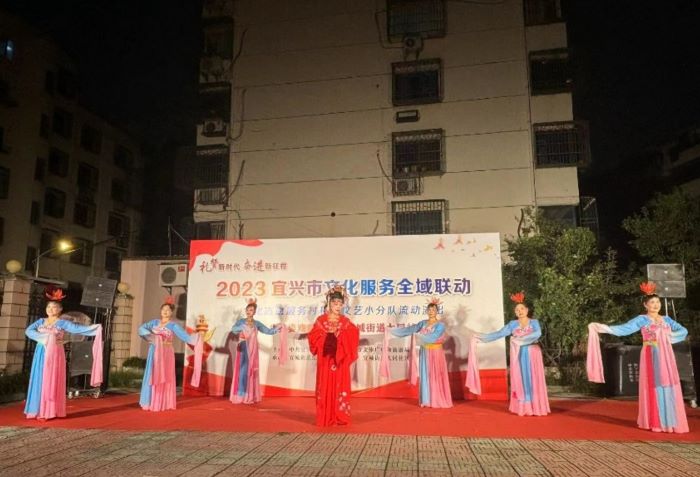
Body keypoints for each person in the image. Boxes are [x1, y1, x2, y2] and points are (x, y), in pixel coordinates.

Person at [587, 282, 689, 433]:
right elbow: (624, 329)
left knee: (668, 386)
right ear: (645, 305)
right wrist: (602, 328)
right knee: (655, 386)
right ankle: (656, 422)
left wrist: (670, 337)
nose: (656, 305)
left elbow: (683, 331)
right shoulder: (642, 319)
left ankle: (670, 422)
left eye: (657, 302)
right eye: (652, 302)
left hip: (666, 355)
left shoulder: (666, 320)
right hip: (651, 354)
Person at [24, 287, 103, 420]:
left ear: (60, 309)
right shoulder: (40, 321)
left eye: (54, 307)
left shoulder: (62, 322)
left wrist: (94, 328)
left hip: (55, 353)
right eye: (49, 307)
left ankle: (49, 411)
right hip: (41, 352)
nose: (51, 309)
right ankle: (36, 409)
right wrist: (45, 338)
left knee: (52, 379)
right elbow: (28, 331)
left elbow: (77, 329)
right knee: (39, 378)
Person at [469, 292, 550, 416]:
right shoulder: (513, 324)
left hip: (533, 353)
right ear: (515, 312)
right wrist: (480, 337)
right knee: (522, 379)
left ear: (527, 310)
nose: (520, 311)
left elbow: (537, 334)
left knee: (533, 379)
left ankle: (537, 406)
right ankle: (525, 407)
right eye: (517, 310)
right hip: (520, 354)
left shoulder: (534, 322)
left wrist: (519, 339)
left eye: (522, 309)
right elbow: (499, 334)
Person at [138, 297, 205, 411]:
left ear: (171, 313)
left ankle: (161, 402)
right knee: (152, 374)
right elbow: (141, 329)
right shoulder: (154, 322)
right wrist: (152, 338)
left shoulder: (173, 326)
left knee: (164, 375)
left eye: (168, 310)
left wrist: (198, 336)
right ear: (160, 311)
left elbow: (186, 338)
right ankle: (149, 401)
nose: (165, 311)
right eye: (163, 309)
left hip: (166, 353)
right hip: (154, 352)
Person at [307, 285, 359, 426]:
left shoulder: (345, 322)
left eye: (340, 304)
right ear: (329, 303)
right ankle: (325, 416)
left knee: (339, 385)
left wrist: (340, 336)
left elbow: (354, 334)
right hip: (325, 359)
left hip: (339, 360)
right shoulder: (321, 320)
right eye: (335, 303)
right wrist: (326, 336)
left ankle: (339, 415)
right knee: (324, 385)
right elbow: (312, 337)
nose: (338, 306)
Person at [389, 298, 453, 408]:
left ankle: (436, 399)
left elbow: (434, 337)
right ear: (427, 311)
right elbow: (410, 329)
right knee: (425, 375)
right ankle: (426, 400)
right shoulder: (422, 323)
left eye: (433, 310)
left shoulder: (440, 325)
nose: (431, 312)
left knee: (435, 375)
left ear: (437, 311)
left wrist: (419, 336)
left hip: (436, 352)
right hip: (425, 351)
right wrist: (392, 331)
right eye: (429, 310)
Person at [230, 298, 288, 404]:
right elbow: (233, 329)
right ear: (246, 310)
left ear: (254, 312)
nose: (249, 312)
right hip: (243, 348)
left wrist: (279, 327)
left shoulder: (257, 323)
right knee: (243, 371)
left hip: (253, 349)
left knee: (251, 371)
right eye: (248, 309)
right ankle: (241, 395)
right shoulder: (241, 321)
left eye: (251, 310)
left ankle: (250, 395)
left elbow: (268, 331)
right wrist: (243, 326)